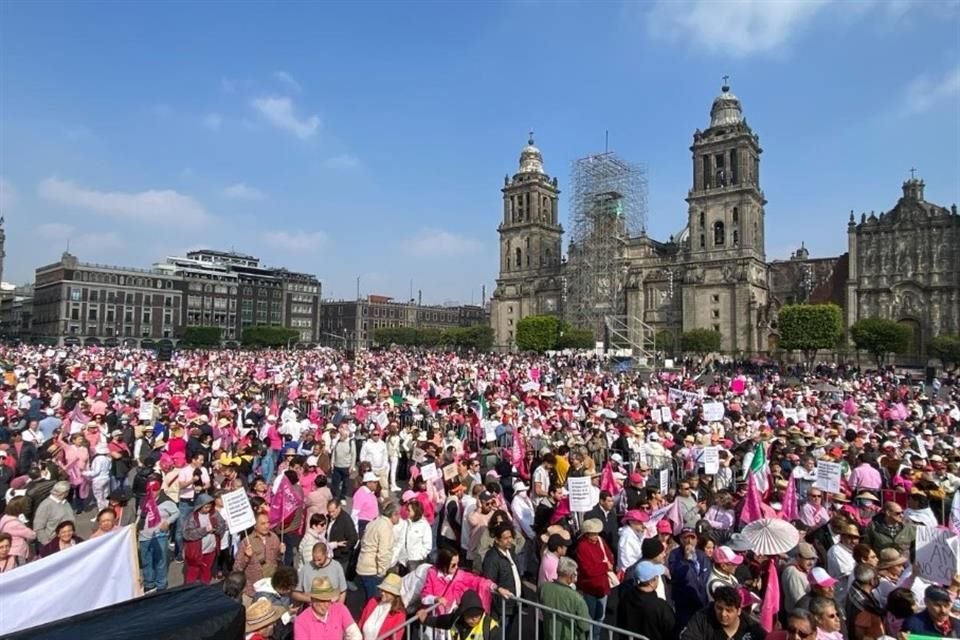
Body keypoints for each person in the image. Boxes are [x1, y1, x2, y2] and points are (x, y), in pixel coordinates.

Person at [573, 518, 614, 639]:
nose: (596, 536)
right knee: (590, 617)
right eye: (593, 533)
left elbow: (610, 557)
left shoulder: (601, 541)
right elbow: (588, 570)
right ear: (586, 534)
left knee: (600, 617)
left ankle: (595, 636)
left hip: (603, 586)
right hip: (589, 588)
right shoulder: (582, 547)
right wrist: (605, 565)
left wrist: (604, 565)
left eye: (597, 533)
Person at [680, 584, 766, 640]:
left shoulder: (753, 628)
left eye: (729, 610)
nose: (723, 614)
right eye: (719, 608)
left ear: (738, 611)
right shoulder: (701, 619)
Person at [617, 560, 676, 640]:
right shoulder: (660, 607)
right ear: (651, 582)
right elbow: (672, 631)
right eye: (656, 577)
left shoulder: (626, 598)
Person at [481, 523, 521, 637]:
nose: (509, 540)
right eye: (505, 538)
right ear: (497, 540)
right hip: (501, 607)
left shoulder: (511, 551)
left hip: (513, 602)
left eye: (510, 537)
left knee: (507, 632)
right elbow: (489, 582)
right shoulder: (492, 558)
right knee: (500, 634)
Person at [539, 557, 591, 640]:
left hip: (549, 634)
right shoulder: (577, 599)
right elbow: (585, 625)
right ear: (570, 576)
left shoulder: (544, 588)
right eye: (575, 573)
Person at [294, 576, 362, 640]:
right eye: (322, 600)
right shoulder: (301, 622)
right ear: (313, 600)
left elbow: (355, 634)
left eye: (328, 599)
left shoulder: (340, 609)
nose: (326, 604)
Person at [356, 498, 399, 599]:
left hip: (363, 565)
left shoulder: (373, 523)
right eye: (398, 515)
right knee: (374, 601)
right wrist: (382, 572)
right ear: (393, 515)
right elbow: (383, 553)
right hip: (372, 570)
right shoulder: (385, 528)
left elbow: (363, 541)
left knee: (368, 599)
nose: (399, 518)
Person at [669, 527, 711, 630]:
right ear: (680, 539)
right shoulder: (675, 554)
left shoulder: (702, 555)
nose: (689, 541)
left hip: (701, 602)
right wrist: (685, 560)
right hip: (684, 603)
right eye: (686, 538)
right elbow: (675, 575)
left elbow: (706, 575)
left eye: (692, 538)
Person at [419, 588, 502, 640]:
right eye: (470, 616)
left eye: (477, 616)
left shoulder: (491, 627)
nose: (474, 619)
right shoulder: (456, 618)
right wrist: (425, 619)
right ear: (463, 613)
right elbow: (440, 621)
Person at [235, 512, 283, 596]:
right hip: (253, 591)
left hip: (271, 587)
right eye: (263, 524)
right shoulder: (247, 541)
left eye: (268, 523)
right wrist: (246, 557)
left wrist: (281, 553)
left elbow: (278, 562)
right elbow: (237, 568)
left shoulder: (274, 538)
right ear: (255, 525)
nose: (267, 526)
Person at [183, 493, 227, 584]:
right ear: (199, 506)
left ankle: (205, 588)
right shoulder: (192, 517)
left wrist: (215, 530)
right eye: (206, 507)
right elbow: (187, 534)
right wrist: (204, 530)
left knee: (207, 569)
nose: (208, 509)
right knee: (193, 570)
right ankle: (189, 589)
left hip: (211, 548)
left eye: (210, 506)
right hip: (196, 551)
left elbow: (222, 526)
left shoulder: (215, 514)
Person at [357, 572, 407, 640]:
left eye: (387, 591)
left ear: (394, 594)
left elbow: (396, 637)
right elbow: (361, 622)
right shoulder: (372, 602)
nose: (382, 593)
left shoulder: (399, 615)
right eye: (382, 590)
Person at [31, 480, 73, 545]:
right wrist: (47, 544)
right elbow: (38, 528)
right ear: (64, 493)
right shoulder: (45, 506)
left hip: (68, 540)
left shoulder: (65, 502)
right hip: (53, 543)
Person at [781, 542, 817, 614]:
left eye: (813, 559)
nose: (811, 563)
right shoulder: (792, 572)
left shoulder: (803, 570)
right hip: (799, 615)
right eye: (807, 559)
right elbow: (799, 600)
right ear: (798, 557)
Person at [399, 498, 432, 572]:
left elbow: (428, 544)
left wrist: (420, 556)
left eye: (409, 510)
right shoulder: (406, 523)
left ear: (416, 511)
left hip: (416, 561)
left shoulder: (424, 525)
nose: (407, 512)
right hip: (403, 560)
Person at [0, 496, 36, 562]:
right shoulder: (15, 524)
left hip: (11, 550)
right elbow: (31, 535)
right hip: (18, 552)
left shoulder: (5, 518)